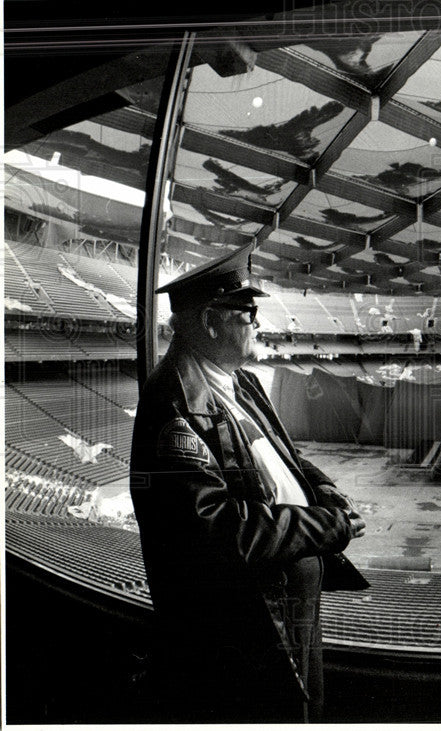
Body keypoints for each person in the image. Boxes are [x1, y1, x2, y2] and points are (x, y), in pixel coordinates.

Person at [130, 245, 368, 723]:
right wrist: (328, 526)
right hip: (249, 620)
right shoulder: (171, 407)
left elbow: (281, 455)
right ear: (210, 321)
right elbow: (216, 531)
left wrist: (321, 489)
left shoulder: (240, 383)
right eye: (247, 311)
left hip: (287, 599)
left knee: (307, 707)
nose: (258, 321)